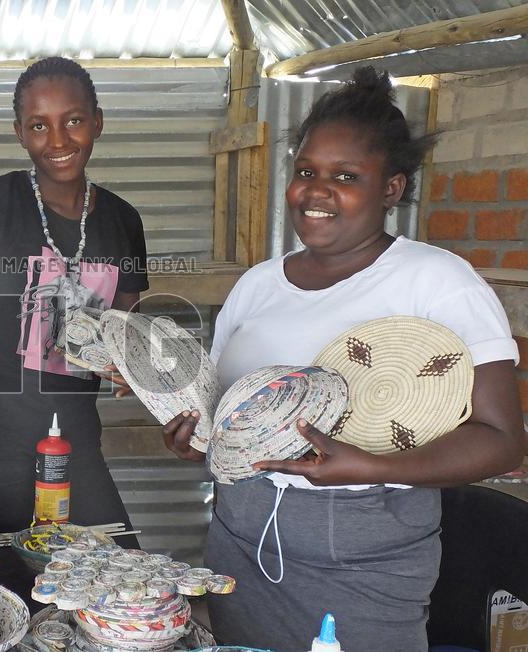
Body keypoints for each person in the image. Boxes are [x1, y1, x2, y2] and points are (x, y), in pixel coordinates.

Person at [162, 67, 525, 651]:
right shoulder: (257, 286)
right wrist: (196, 438)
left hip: (364, 552)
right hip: (240, 539)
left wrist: (373, 466)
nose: (316, 190)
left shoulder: (436, 282)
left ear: (392, 188)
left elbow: (502, 438)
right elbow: (230, 413)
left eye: (345, 176)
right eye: (306, 171)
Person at [0, 56, 148, 597]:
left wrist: (131, 365)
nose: (57, 138)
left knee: (120, 582)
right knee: (20, 592)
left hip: (74, 445)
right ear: (20, 133)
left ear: (97, 121)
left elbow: (127, 331)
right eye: (38, 125)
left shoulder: (122, 219)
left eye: (73, 119)